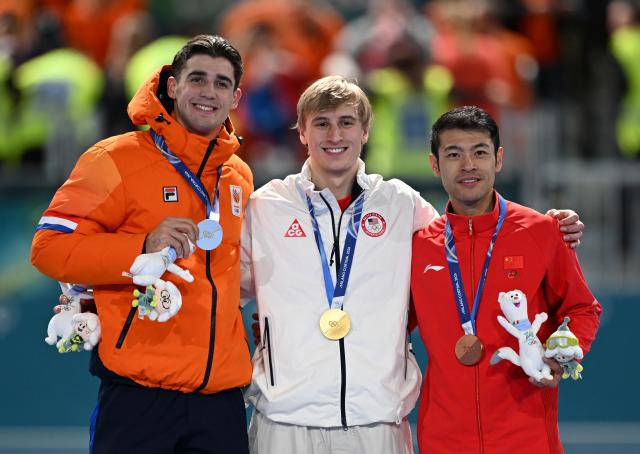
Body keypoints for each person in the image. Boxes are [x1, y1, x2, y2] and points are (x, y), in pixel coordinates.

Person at [241, 76, 584, 454]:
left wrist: (548, 227)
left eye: (347, 122)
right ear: (302, 132)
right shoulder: (265, 207)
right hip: (284, 421)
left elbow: (464, 238)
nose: (334, 134)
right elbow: (224, 293)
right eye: (321, 123)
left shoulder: (400, 204)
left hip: (377, 422)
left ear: (366, 130)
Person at [30, 35, 252, 454]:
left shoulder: (237, 174)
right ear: (172, 86)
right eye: (197, 78)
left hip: (219, 397)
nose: (209, 92)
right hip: (140, 395)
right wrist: (140, 246)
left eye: (222, 83)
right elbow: (49, 249)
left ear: (236, 97)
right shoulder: (114, 157)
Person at [411, 106, 602, 453]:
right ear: (435, 165)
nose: (468, 165)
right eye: (453, 154)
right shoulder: (418, 246)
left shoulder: (541, 231)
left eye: (479, 152)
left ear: (498, 159)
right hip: (443, 439)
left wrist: (561, 353)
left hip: (526, 438)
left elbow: (582, 308)